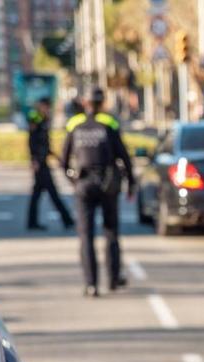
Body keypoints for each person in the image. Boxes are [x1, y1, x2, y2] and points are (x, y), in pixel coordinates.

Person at [61, 87, 137, 298]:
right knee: (111, 232)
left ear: (86, 103)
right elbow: (124, 156)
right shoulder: (110, 123)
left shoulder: (74, 124)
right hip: (108, 184)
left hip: (84, 185)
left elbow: (63, 160)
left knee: (86, 236)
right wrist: (131, 182)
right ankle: (113, 279)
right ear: (102, 102)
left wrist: (73, 180)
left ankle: (91, 284)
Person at [27, 98, 74, 231]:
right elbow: (32, 142)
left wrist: (55, 156)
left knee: (38, 194)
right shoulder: (35, 119)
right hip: (40, 163)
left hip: (43, 160)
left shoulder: (44, 120)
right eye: (45, 107)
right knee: (52, 193)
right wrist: (34, 160)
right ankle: (67, 220)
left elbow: (45, 144)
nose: (47, 110)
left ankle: (32, 221)